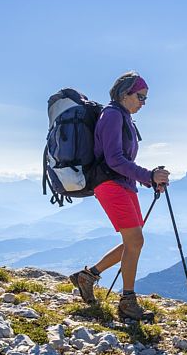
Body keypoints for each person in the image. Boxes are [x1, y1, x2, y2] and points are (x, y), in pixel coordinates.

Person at [69, 71, 170, 320]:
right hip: (111, 185)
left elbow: (120, 160)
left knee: (133, 242)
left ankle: (88, 276)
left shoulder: (122, 116)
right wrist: (148, 176)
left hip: (122, 185)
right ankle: (127, 301)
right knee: (135, 241)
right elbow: (114, 159)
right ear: (126, 93)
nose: (143, 103)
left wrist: (147, 180)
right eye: (141, 97)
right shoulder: (113, 115)